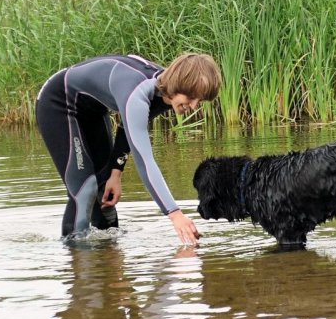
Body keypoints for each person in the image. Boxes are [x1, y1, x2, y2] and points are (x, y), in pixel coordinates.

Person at [35, 52, 222, 245]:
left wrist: (115, 173)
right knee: (84, 190)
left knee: (103, 190)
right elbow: (145, 161)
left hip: (92, 112)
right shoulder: (139, 91)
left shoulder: (165, 92)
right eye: (191, 97)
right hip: (58, 103)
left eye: (199, 101)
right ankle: (75, 257)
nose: (193, 106)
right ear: (178, 83)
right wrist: (174, 214)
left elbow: (128, 125)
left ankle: (107, 260)